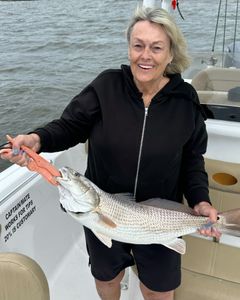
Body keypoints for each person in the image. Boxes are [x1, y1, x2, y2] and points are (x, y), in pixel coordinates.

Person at [0, 6, 221, 300]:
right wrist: (37, 139)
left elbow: (193, 160)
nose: (145, 56)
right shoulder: (107, 86)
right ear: (129, 47)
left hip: (160, 219)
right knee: (107, 279)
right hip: (103, 210)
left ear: (171, 54)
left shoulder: (185, 101)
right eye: (138, 45)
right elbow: (70, 126)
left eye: (156, 48)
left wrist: (201, 201)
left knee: (159, 291)